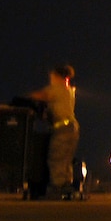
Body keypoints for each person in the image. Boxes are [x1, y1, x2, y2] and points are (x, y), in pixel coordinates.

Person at [26, 65, 79, 197]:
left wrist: (27, 97)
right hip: (71, 128)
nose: (50, 79)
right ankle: (66, 186)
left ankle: (58, 188)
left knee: (56, 158)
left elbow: (40, 96)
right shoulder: (69, 90)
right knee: (66, 160)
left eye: (52, 76)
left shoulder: (58, 89)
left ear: (57, 76)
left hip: (63, 128)